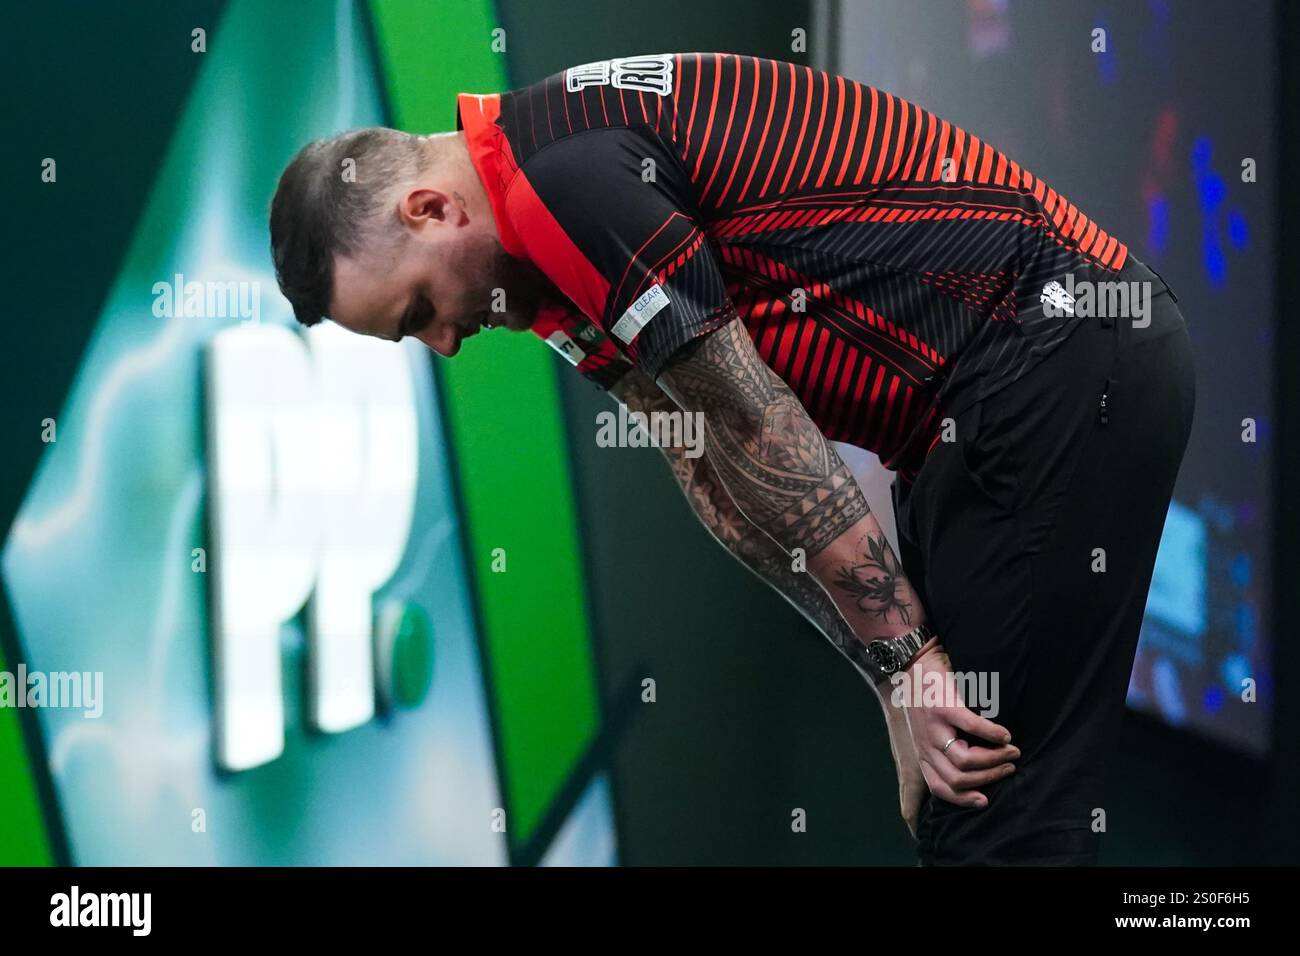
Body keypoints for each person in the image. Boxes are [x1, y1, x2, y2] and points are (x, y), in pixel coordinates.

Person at [269, 52, 1195, 865]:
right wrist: (890, 668)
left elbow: (758, 424)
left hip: (1062, 348)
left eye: (417, 310)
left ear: (430, 208)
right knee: (963, 810)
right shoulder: (538, 262)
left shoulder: (561, 179)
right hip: (991, 405)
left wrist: (909, 657)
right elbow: (707, 461)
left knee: (991, 810)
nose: (443, 343)